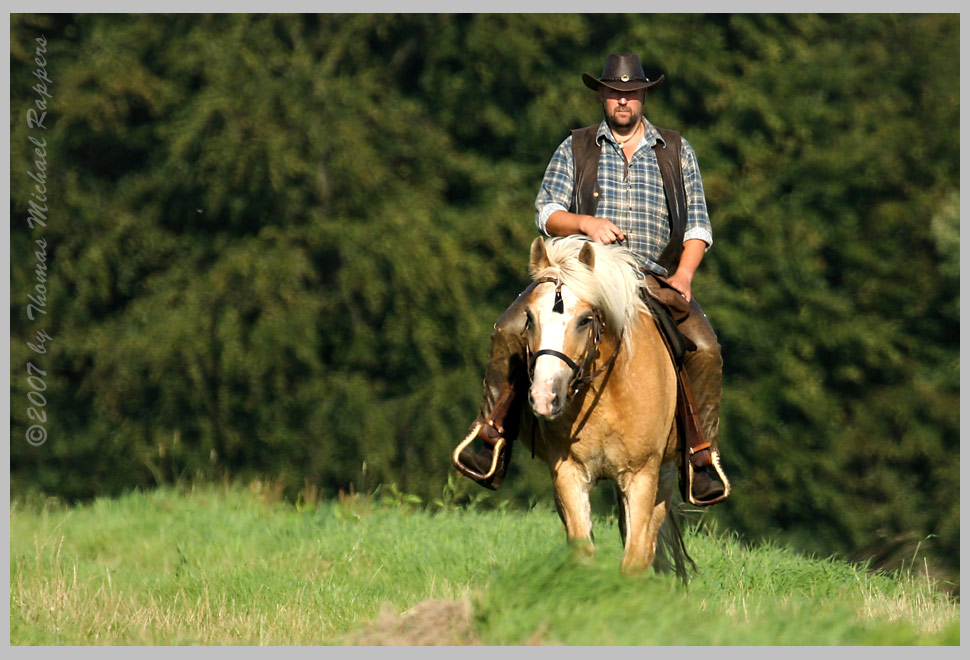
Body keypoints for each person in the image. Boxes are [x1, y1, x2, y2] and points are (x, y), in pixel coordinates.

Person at [453, 52, 727, 503]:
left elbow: (698, 226)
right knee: (507, 329)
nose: (623, 102)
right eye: (615, 93)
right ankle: (492, 434)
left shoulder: (675, 151)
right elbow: (547, 213)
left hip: (651, 276)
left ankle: (700, 454)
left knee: (706, 349)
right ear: (602, 94)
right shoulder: (576, 147)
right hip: (581, 273)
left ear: (643, 96)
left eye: (631, 94)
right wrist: (585, 223)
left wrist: (684, 274)